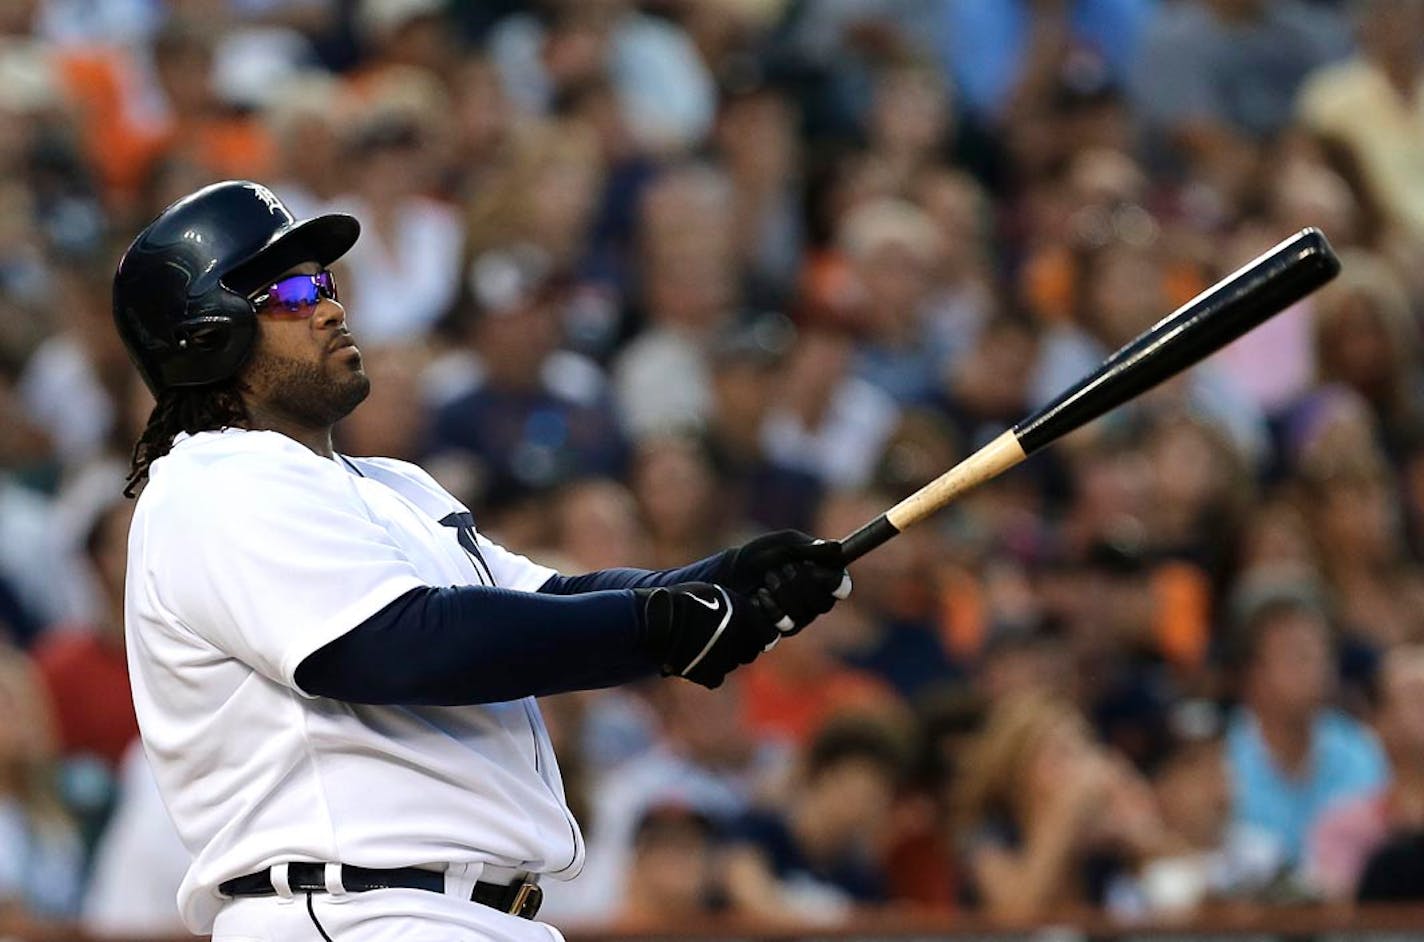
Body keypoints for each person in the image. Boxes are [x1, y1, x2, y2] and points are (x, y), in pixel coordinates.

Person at [110, 180, 852, 942]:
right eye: (294, 291)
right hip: (357, 910)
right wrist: (662, 625)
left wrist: (725, 584)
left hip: (458, 914)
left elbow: (551, 600)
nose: (331, 306)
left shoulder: (391, 485)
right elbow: (400, 645)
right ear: (207, 332)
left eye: (326, 282)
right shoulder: (212, 480)